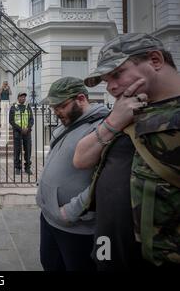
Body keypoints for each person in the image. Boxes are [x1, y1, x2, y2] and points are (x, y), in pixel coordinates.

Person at [74, 33, 180, 269]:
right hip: (107, 251)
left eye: (117, 74)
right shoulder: (128, 109)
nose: (110, 86)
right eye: (106, 79)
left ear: (155, 60)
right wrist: (114, 120)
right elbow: (81, 158)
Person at [36, 77, 109, 271]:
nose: (56, 111)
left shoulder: (103, 128)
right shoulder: (65, 125)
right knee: (50, 265)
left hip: (77, 227)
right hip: (49, 217)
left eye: (61, 105)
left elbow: (105, 181)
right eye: (53, 106)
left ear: (81, 98)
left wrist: (71, 211)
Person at [9, 92, 34, 174]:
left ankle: (27, 168)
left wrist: (28, 128)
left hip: (27, 132)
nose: (23, 98)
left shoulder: (28, 107)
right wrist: (20, 129)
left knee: (28, 150)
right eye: (21, 97)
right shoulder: (13, 107)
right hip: (17, 132)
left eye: (24, 97)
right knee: (17, 151)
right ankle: (17, 168)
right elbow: (11, 121)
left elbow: (31, 120)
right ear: (18, 98)